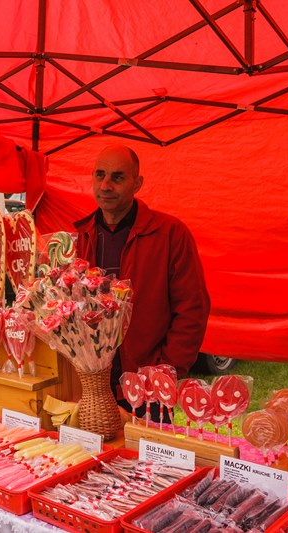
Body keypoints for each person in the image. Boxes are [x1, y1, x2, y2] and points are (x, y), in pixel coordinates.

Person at [74, 144, 210, 420]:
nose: (106, 185)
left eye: (118, 177)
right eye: (100, 175)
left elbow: (192, 310)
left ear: (137, 183)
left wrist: (165, 371)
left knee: (147, 449)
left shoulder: (170, 234)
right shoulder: (80, 237)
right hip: (90, 385)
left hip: (149, 389)